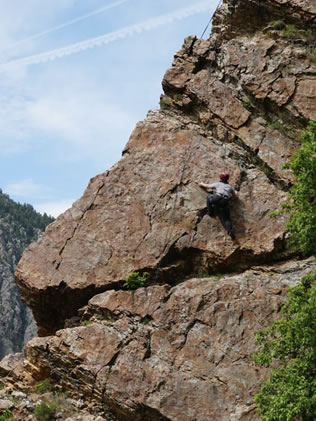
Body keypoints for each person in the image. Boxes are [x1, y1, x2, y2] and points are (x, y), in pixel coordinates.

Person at [199, 173, 238, 240]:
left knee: (209, 197)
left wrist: (201, 184)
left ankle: (210, 212)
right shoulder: (230, 187)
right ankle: (230, 231)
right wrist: (235, 193)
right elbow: (235, 197)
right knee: (226, 219)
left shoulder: (218, 184)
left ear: (221, 178)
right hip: (224, 201)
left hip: (217, 198)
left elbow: (208, 186)